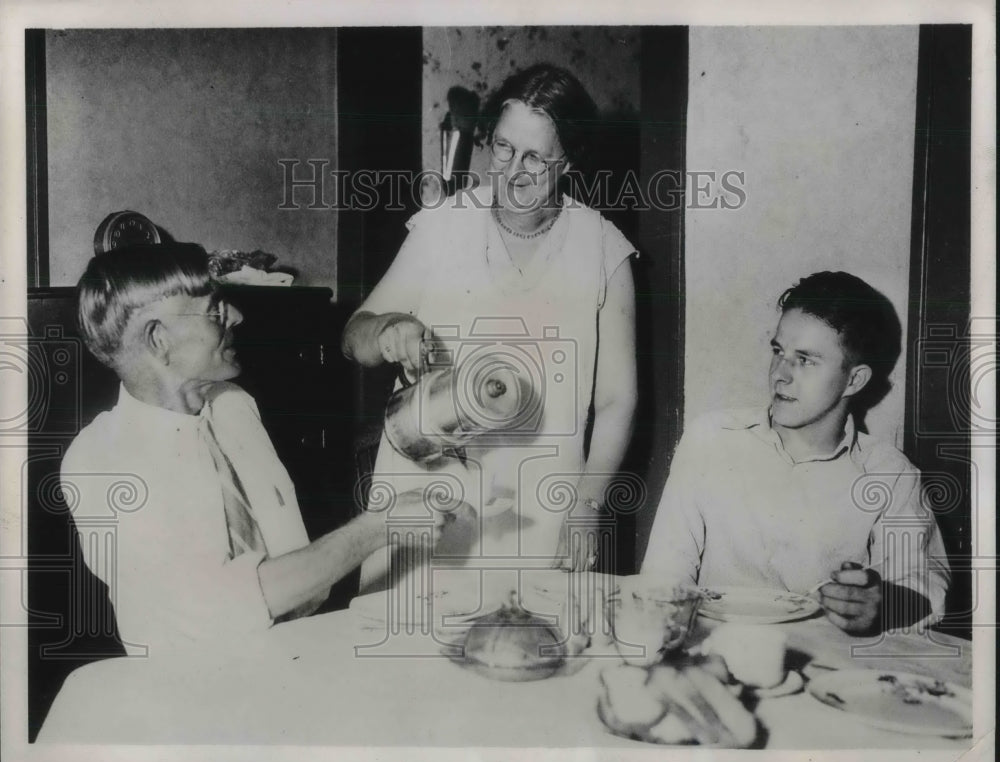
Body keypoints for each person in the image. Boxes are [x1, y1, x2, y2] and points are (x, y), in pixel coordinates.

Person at [61, 243, 468, 654]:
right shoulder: (101, 462)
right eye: (214, 310)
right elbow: (225, 604)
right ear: (158, 339)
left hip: (291, 654)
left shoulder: (233, 404)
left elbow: (293, 566)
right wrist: (380, 527)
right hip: (187, 690)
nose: (236, 316)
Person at [342, 63, 638, 593]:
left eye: (534, 158)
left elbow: (617, 399)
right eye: (502, 148)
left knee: (527, 654)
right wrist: (388, 326)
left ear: (567, 160)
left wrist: (588, 504)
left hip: (538, 504)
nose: (512, 172)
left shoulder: (603, 248)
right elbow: (354, 337)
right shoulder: (442, 225)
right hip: (426, 498)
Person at [642, 271, 950, 634]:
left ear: (855, 380)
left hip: (826, 667)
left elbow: (923, 585)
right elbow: (662, 577)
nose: (780, 375)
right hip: (714, 650)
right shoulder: (711, 438)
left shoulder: (890, 474)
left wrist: (883, 605)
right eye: (778, 351)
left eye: (805, 360)